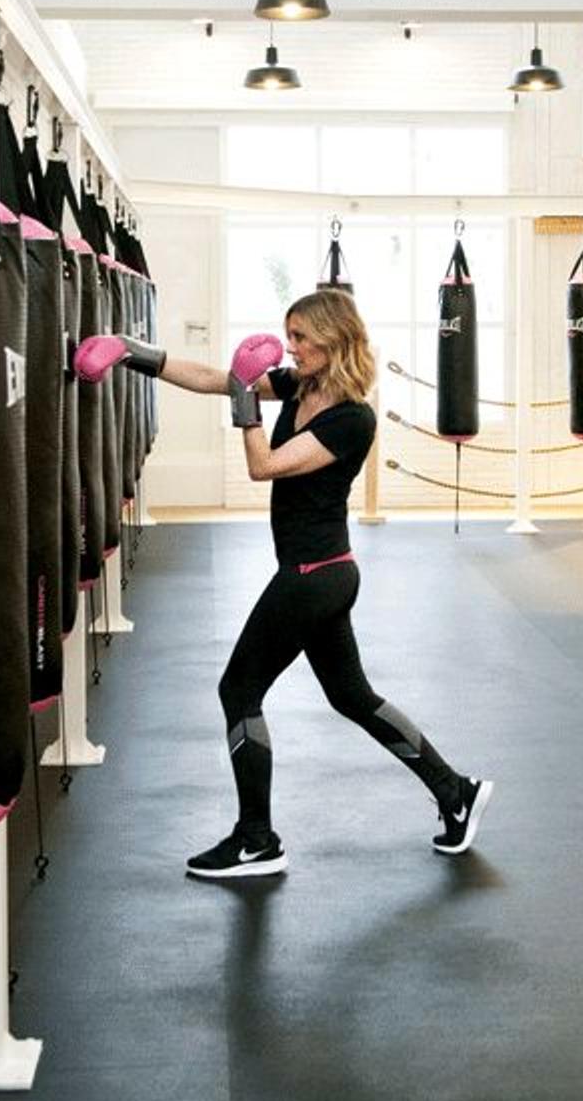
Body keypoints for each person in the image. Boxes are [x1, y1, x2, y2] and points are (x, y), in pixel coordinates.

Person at [76, 288, 492, 880]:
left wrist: (246, 399)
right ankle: (456, 792)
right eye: (288, 335)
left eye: (300, 338)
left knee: (237, 692)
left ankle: (256, 841)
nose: (290, 348)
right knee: (353, 698)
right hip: (320, 573)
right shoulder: (302, 387)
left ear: (332, 339)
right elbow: (215, 378)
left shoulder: (352, 419)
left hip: (312, 577)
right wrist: (131, 351)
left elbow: (262, 467)